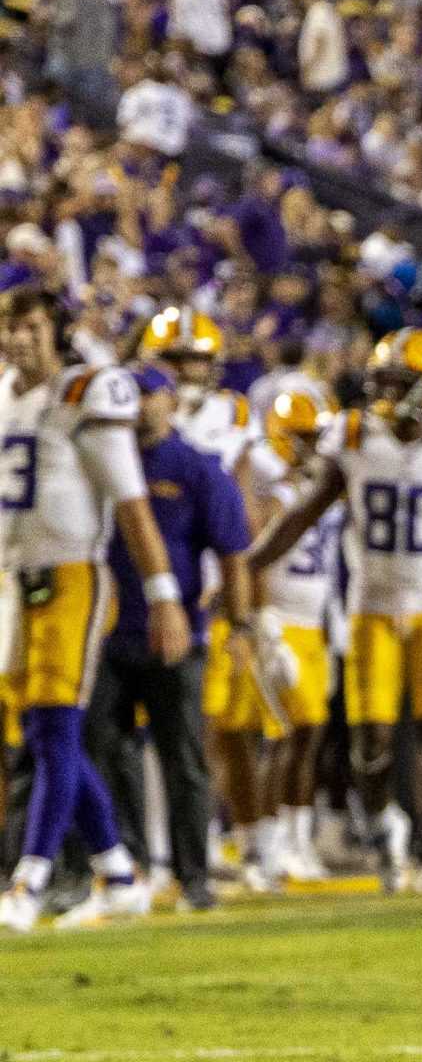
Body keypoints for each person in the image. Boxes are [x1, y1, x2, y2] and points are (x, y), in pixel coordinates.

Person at [244, 329, 422, 893]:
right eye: (383, 381)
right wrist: (248, 563)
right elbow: (302, 514)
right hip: (370, 608)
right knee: (368, 742)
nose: (385, 392)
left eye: (400, 383)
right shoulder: (351, 437)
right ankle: (386, 827)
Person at [0, 285, 190, 933]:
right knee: (39, 734)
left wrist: (164, 594)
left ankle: (29, 880)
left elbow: (133, 502)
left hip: (75, 575)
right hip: (16, 583)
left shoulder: (85, 393)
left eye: (28, 326)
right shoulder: (7, 395)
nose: (17, 338)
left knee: (54, 730)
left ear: (55, 329)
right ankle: (116, 870)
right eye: (9, 326)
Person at [88, 366, 252, 911]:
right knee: (108, 751)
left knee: (183, 759)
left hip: (177, 634)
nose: (138, 406)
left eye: (148, 395)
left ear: (171, 403)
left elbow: (232, 551)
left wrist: (242, 625)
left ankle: (194, 875)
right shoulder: (105, 457)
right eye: (130, 396)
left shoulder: (196, 467)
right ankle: (128, 864)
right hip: (108, 632)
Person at [241, 385, 339, 883]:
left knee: (309, 736)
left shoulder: (325, 492)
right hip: (279, 624)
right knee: (280, 739)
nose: (318, 448)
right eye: (308, 438)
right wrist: (264, 623)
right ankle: (265, 847)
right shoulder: (275, 495)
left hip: (314, 623)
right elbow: (254, 557)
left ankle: (298, 840)